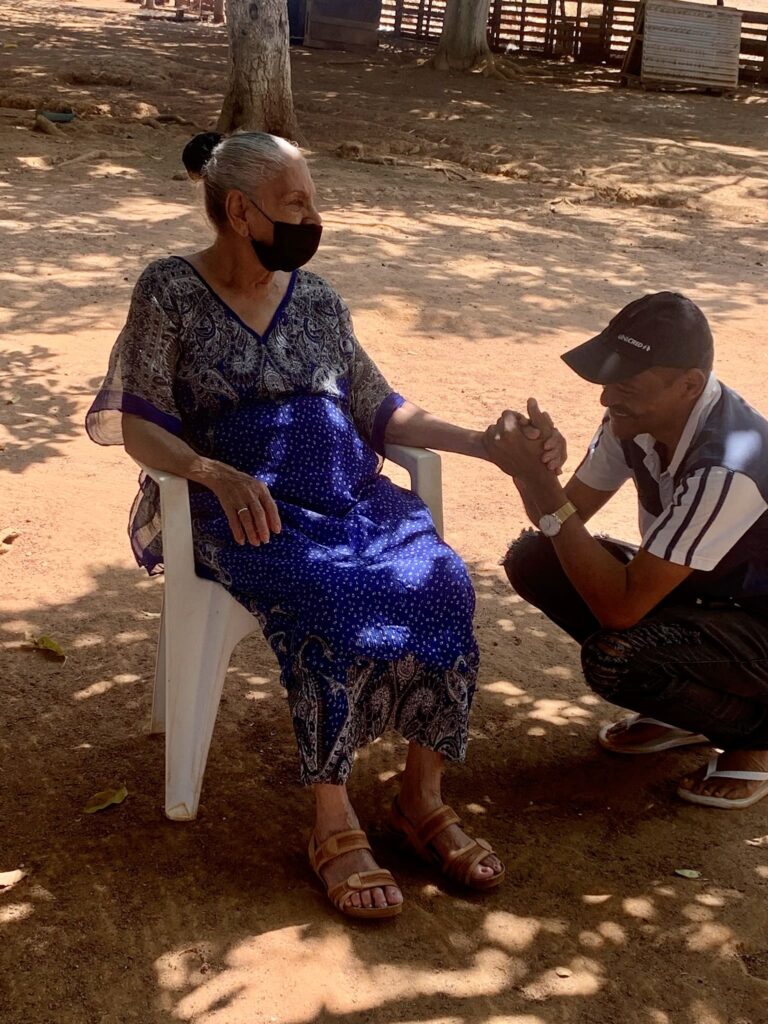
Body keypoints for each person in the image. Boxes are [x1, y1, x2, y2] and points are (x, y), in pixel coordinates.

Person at [87, 132, 563, 918]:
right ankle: (332, 821)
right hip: (243, 509)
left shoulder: (317, 301)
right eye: (297, 203)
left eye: (313, 201)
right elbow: (139, 423)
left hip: (350, 496)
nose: (314, 218)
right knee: (330, 601)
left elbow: (380, 407)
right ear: (240, 212)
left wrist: (484, 443)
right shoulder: (170, 290)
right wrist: (209, 470)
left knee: (444, 581)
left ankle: (420, 798)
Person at [489, 292, 768, 811]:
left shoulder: (727, 467)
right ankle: (683, 712)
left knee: (617, 658)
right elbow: (563, 517)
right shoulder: (634, 422)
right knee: (534, 559)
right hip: (706, 598)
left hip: (757, 622)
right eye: (608, 381)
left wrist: (541, 486)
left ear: (690, 385)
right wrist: (534, 469)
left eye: (626, 386)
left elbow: (620, 609)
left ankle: (757, 738)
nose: (605, 399)